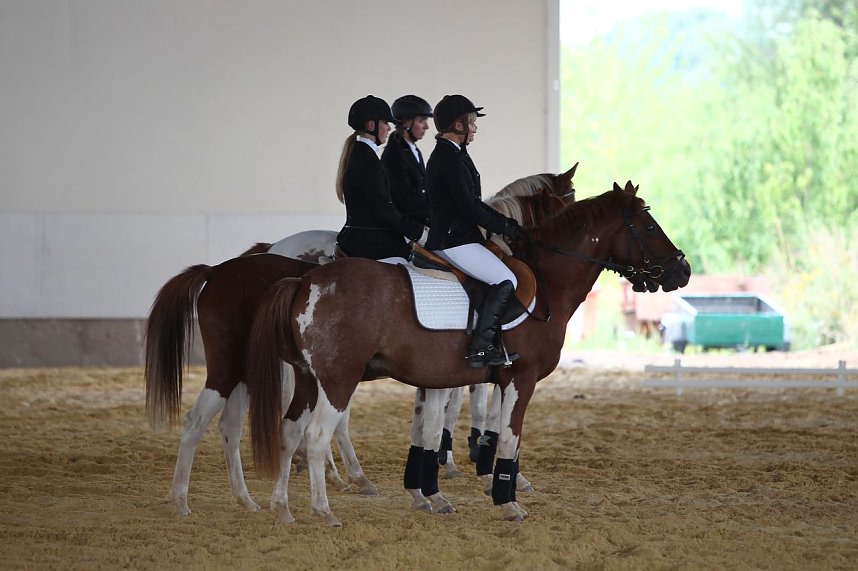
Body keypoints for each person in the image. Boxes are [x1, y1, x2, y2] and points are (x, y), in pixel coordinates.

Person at [424, 94, 523, 368]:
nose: (475, 128)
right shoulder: (448, 158)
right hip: (454, 240)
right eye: (472, 123)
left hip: (460, 236)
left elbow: (475, 203)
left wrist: (506, 223)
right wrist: (504, 227)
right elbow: (469, 208)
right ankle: (481, 348)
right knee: (506, 280)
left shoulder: (456, 153)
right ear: (458, 125)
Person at [336, 95, 427, 264]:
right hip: (371, 241)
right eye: (385, 123)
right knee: (421, 267)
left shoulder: (363, 154)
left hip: (367, 237)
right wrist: (420, 233)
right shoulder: (367, 160)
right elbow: (384, 209)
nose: (389, 128)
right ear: (371, 125)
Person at [381, 95, 433, 227]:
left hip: (421, 220)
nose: (426, 126)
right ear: (405, 123)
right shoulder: (394, 154)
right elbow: (405, 199)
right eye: (421, 121)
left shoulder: (413, 150)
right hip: (408, 226)